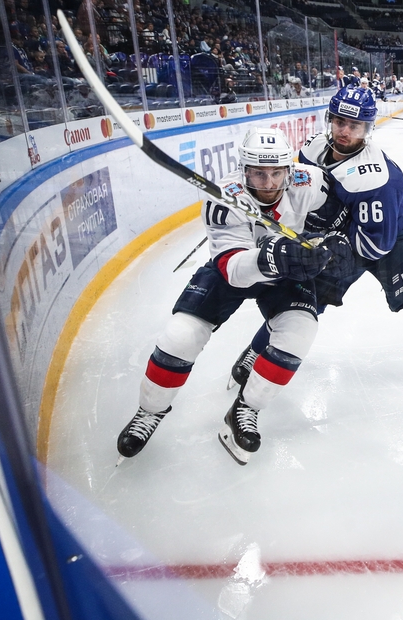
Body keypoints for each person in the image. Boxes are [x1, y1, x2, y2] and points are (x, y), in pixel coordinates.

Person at [228, 86, 403, 406]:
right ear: (329, 119)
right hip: (339, 235)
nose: (345, 131)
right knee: (298, 302)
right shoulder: (312, 149)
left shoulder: (377, 178)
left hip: (389, 237)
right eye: (339, 122)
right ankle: (254, 353)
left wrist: (329, 248)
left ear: (367, 129)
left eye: (355, 126)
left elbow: (376, 245)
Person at [116, 127, 351, 466]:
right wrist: (271, 255)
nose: (268, 183)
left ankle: (244, 409)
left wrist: (333, 243)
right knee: (180, 336)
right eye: (258, 173)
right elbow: (232, 271)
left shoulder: (310, 180)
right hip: (238, 269)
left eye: (276, 173)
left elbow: (339, 218)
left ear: (290, 168)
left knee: (300, 333)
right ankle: (149, 411)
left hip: (285, 270)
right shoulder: (224, 196)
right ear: (243, 170)